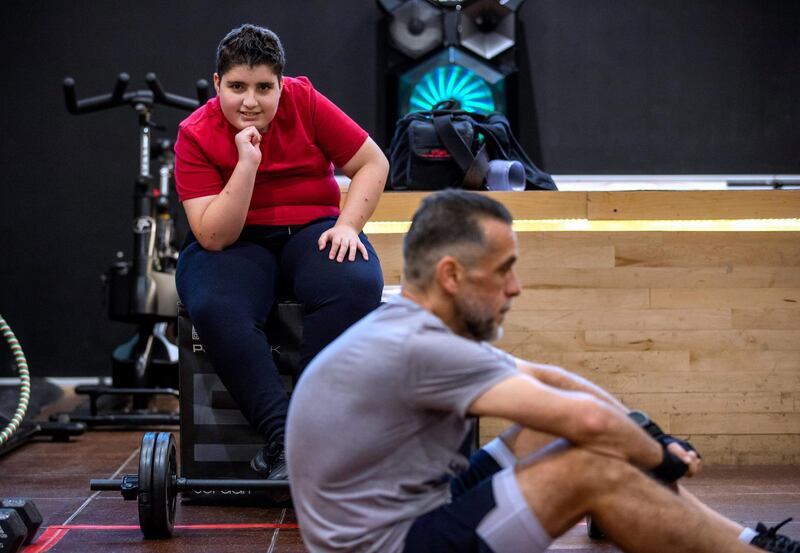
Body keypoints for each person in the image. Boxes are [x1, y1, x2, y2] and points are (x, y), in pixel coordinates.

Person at [286, 189, 800, 553]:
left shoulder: (411, 319)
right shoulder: (420, 347)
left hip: (421, 503)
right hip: (390, 544)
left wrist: (649, 435)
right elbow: (591, 425)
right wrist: (660, 459)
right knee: (589, 464)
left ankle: (745, 539)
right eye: (505, 270)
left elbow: (552, 382)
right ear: (451, 275)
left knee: (549, 426)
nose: (516, 289)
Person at [173, 24, 387, 480]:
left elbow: (372, 162)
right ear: (217, 84)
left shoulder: (305, 101)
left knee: (357, 283)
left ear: (281, 85)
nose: (250, 102)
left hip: (311, 227)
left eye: (263, 88)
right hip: (236, 238)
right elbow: (214, 237)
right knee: (214, 306)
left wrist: (348, 225)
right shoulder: (194, 133)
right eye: (237, 87)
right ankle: (285, 439)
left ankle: (310, 428)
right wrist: (248, 163)